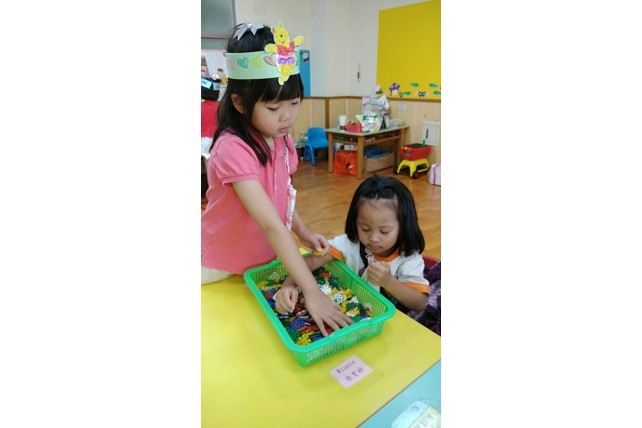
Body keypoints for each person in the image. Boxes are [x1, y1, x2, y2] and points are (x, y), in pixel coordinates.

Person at [201, 22, 353, 336]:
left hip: (263, 261)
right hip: (221, 263)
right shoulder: (233, 149)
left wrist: (303, 231)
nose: (287, 116)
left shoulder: (280, 138)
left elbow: (281, 195)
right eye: (273, 107)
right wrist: (312, 292)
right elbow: (271, 224)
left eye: (294, 103)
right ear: (240, 103)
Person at [275, 175, 430, 314]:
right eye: (365, 228)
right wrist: (288, 285)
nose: (373, 238)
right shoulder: (349, 243)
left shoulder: (408, 256)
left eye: (384, 231)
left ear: (404, 225)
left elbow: (420, 304)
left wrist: (389, 282)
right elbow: (311, 261)